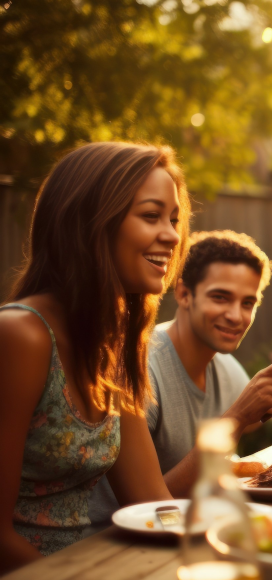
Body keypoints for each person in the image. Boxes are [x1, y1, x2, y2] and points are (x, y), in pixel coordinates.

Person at [0, 142, 189, 572]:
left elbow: (153, 504)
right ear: (90, 222)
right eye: (151, 215)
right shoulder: (20, 336)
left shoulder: (113, 345)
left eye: (174, 220)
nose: (173, 235)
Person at [88, 231, 272, 522]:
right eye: (221, 297)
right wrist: (238, 416)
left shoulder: (228, 368)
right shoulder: (139, 368)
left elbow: (244, 436)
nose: (236, 315)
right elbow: (148, 510)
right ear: (184, 294)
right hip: (117, 542)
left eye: (248, 303)